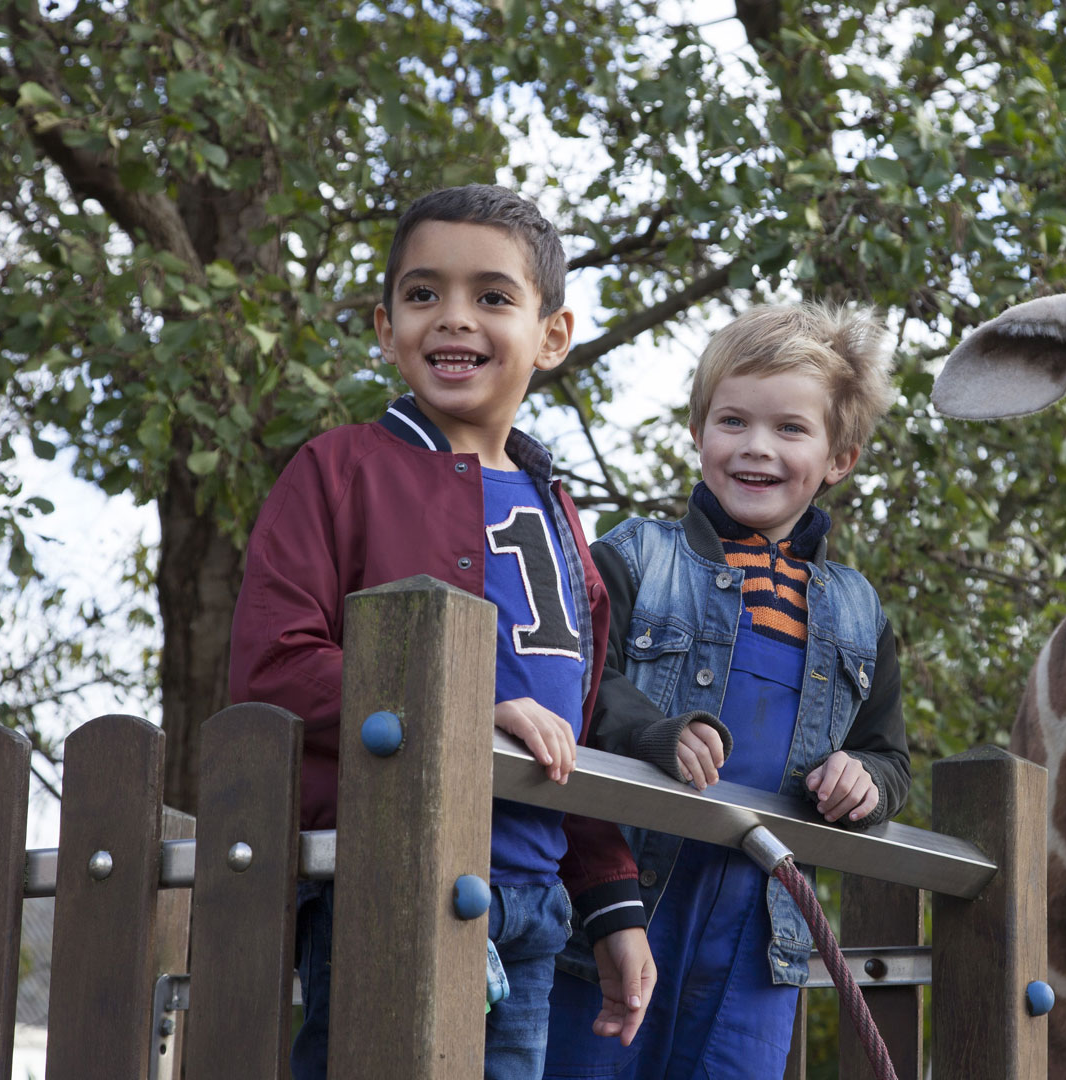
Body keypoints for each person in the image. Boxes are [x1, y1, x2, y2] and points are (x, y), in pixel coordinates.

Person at [229, 184, 665, 1080]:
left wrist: (612, 902)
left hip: (531, 903)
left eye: (493, 296)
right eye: (423, 293)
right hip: (387, 879)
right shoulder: (340, 470)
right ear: (385, 327)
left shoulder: (559, 514)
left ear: (552, 335)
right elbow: (274, 664)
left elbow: (572, 731)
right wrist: (465, 706)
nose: (454, 317)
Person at [543, 303, 911, 1079]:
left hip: (760, 929)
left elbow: (888, 755)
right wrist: (655, 732)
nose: (756, 447)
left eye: (790, 429)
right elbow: (573, 679)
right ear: (697, 430)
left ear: (839, 457)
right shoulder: (635, 558)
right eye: (733, 421)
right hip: (625, 898)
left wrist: (867, 781)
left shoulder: (860, 613)